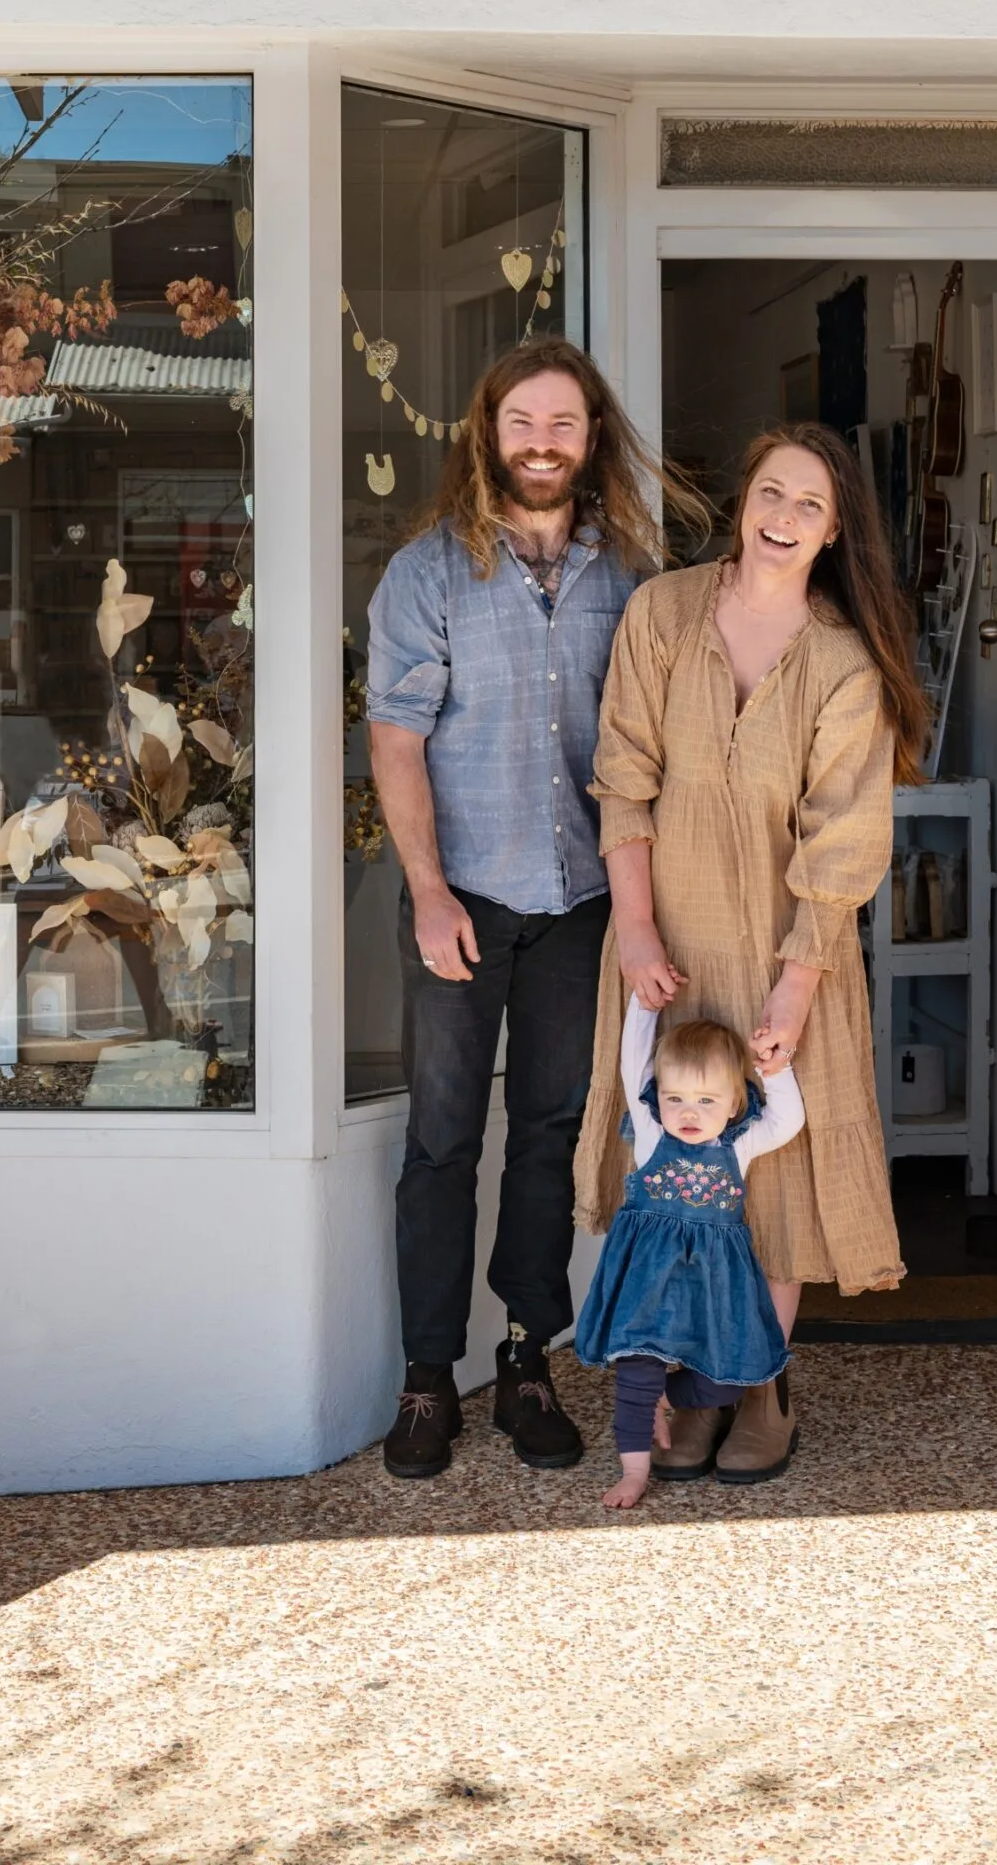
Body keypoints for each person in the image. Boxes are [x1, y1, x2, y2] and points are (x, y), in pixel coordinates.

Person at [368, 337, 707, 1480]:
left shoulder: (637, 578)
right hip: (460, 894)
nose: (541, 442)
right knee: (440, 1139)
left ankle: (523, 1361)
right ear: (487, 432)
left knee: (551, 1135)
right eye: (521, 421)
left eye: (562, 423)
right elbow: (395, 741)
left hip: (580, 905)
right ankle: (423, 1381)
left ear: (591, 436)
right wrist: (423, 892)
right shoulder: (424, 573)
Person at [576, 422, 929, 1483]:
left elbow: (843, 837)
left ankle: (760, 1388)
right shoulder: (661, 614)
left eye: (808, 505)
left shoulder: (840, 660)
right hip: (668, 944)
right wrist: (634, 927)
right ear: (741, 500)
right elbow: (622, 774)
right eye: (769, 493)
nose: (781, 518)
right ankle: (683, 1381)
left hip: (789, 956)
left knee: (767, 1184)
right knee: (669, 1175)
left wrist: (792, 990)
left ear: (833, 532)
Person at [575, 1002, 805, 1509]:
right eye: (674, 1097)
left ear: (733, 1104)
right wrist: (640, 1005)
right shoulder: (653, 1132)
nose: (688, 1113)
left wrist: (778, 1068)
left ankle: (668, 1397)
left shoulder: (739, 1143)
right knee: (637, 1370)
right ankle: (634, 1471)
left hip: (712, 1285)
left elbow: (788, 1120)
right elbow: (633, 1060)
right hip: (647, 1281)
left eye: (706, 1100)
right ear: (657, 1096)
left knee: (723, 1384)